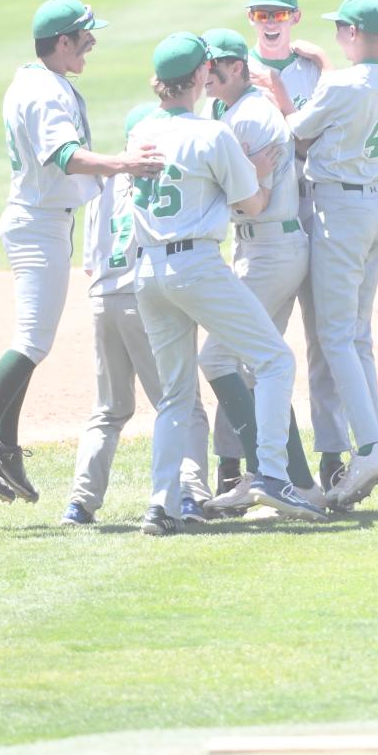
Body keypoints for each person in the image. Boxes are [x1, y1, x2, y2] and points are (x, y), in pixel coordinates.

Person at [0, 0, 164, 505]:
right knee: (31, 341)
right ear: (62, 42)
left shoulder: (36, 80)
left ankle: (5, 445)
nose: (93, 41)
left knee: (32, 340)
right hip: (39, 224)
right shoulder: (43, 91)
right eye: (86, 35)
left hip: (42, 220)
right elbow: (64, 156)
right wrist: (123, 163)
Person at [130, 31, 329, 535]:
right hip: (196, 266)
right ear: (198, 77)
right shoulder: (211, 134)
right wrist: (256, 173)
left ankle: (161, 504)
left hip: (148, 271)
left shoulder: (142, 133)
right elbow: (253, 204)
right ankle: (274, 474)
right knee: (274, 358)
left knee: (175, 396)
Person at [287, 0, 378, 509]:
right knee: (357, 336)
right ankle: (371, 439)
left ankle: (372, 446)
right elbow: (354, 89)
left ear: (355, 34)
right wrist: (328, 69)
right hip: (377, 208)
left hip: (338, 211)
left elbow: (294, 132)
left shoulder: (338, 85)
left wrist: (284, 84)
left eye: (342, 28)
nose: (338, 35)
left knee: (335, 337)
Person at [61, 101, 212, 528]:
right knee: (183, 402)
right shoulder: (162, 176)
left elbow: (90, 262)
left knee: (109, 409)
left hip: (102, 299)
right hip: (144, 299)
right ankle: (190, 495)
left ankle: (80, 503)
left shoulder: (102, 184)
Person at [196, 28, 322, 516]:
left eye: (214, 66)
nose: (206, 74)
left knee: (219, 358)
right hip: (261, 248)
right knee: (252, 363)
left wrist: (231, 174)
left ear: (236, 68)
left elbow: (251, 202)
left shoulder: (251, 116)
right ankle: (297, 481)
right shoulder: (227, 111)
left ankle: (268, 474)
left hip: (271, 247)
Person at [244, 0, 350, 496]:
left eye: (278, 14)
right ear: (250, 20)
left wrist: (324, 69)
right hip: (267, 221)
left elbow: (334, 132)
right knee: (257, 341)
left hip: (320, 210)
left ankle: (332, 455)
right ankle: (245, 462)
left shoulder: (315, 69)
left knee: (325, 338)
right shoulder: (235, 70)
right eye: (261, 14)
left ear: (295, 19)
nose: (269, 22)